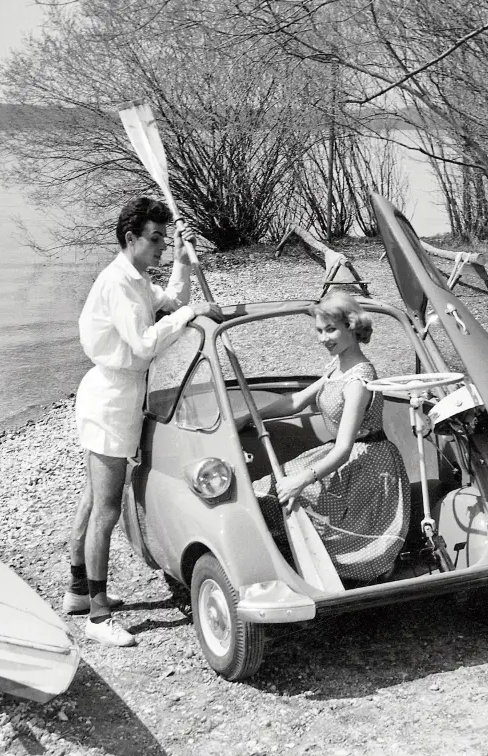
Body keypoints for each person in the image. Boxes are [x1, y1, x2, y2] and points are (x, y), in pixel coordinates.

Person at [64, 197, 222, 647]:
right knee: (107, 507)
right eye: (156, 240)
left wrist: (185, 260)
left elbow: (171, 301)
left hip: (122, 394)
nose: (160, 248)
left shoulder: (136, 278)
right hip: (111, 397)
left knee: (94, 497)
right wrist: (191, 314)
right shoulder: (117, 282)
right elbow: (142, 344)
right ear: (131, 238)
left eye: (163, 240)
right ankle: (97, 615)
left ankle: (78, 591)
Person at [236, 291, 411, 583]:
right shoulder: (337, 366)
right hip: (344, 456)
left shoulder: (358, 380)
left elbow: (343, 448)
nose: (323, 338)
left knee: (292, 492)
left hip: (367, 465)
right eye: (319, 330)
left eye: (330, 330)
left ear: (352, 327)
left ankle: (322, 574)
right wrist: (249, 416)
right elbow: (297, 401)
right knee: (266, 489)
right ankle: (294, 565)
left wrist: (301, 480)